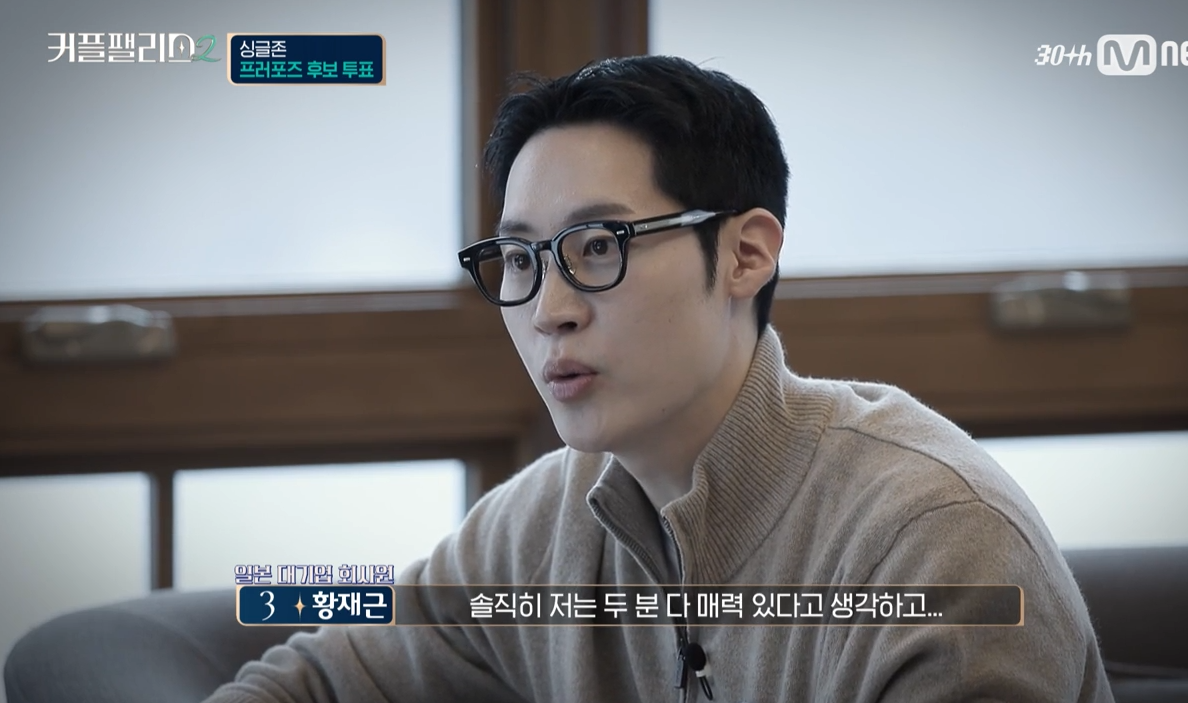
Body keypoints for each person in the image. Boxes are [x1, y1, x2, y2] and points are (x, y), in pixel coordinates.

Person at [204, 55, 1115, 702]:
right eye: (518, 259)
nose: (548, 309)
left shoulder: (935, 542)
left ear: (745, 253)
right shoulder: (544, 523)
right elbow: (307, 684)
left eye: (599, 246)